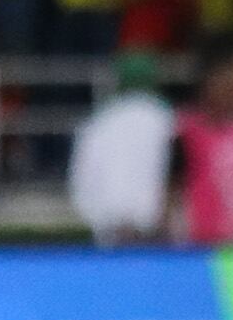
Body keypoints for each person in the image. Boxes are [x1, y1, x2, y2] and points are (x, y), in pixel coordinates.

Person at [66, 51, 174, 244]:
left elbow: (80, 186)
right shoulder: (168, 120)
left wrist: (103, 221)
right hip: (156, 236)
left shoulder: (96, 122)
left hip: (112, 235)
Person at [170, 46, 233, 245]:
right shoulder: (187, 128)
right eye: (221, 87)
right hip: (197, 233)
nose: (227, 94)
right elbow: (174, 180)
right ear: (206, 89)